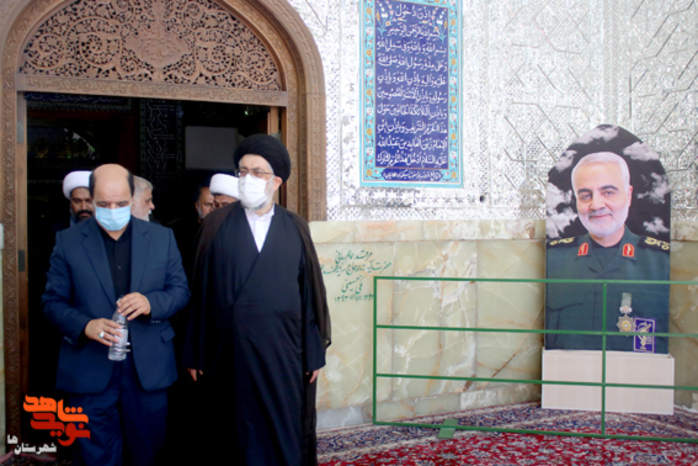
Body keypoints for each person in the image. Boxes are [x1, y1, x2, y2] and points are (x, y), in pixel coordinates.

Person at [183, 134, 331, 465]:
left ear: (276, 181)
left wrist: (313, 352)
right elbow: (199, 290)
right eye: (243, 171)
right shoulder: (216, 224)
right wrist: (195, 349)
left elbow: (310, 294)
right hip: (227, 352)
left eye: (258, 172)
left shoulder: (295, 227)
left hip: (282, 353)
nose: (248, 178)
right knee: (230, 432)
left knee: (280, 431)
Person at [42, 164, 190, 466]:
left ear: (132, 197)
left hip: (147, 370)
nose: (112, 210)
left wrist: (151, 303)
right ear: (91, 198)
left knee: (147, 453)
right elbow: (52, 302)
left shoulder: (161, 237)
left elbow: (180, 291)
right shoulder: (68, 242)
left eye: (120, 203)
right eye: (104, 203)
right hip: (89, 369)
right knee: (94, 456)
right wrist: (85, 325)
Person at [546, 152, 670, 353]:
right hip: (568, 371)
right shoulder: (552, 260)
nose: (596, 205)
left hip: (638, 372)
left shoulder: (662, 263)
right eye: (585, 195)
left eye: (608, 192)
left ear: (628, 195)